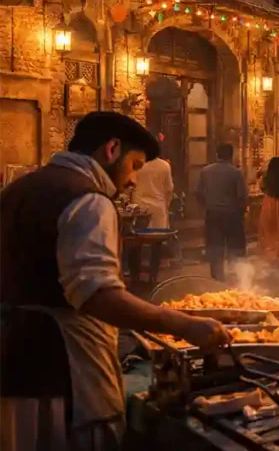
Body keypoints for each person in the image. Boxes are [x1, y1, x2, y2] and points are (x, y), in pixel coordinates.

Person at [0, 111, 230, 451]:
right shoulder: (88, 200)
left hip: (14, 364)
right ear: (112, 149)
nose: (134, 179)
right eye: (135, 165)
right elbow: (99, 295)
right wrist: (182, 324)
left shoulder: (19, 188)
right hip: (65, 373)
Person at [197, 144, 248, 281]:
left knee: (214, 246)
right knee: (235, 247)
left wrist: (207, 205)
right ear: (231, 156)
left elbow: (199, 193)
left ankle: (217, 277)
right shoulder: (236, 173)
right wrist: (242, 213)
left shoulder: (205, 171)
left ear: (217, 154)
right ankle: (237, 276)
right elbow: (242, 196)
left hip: (213, 213)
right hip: (232, 214)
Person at [131, 155, 173, 229]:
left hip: (139, 207)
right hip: (158, 207)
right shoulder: (165, 165)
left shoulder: (135, 164)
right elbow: (169, 189)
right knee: (159, 234)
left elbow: (129, 186)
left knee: (140, 234)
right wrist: (166, 205)